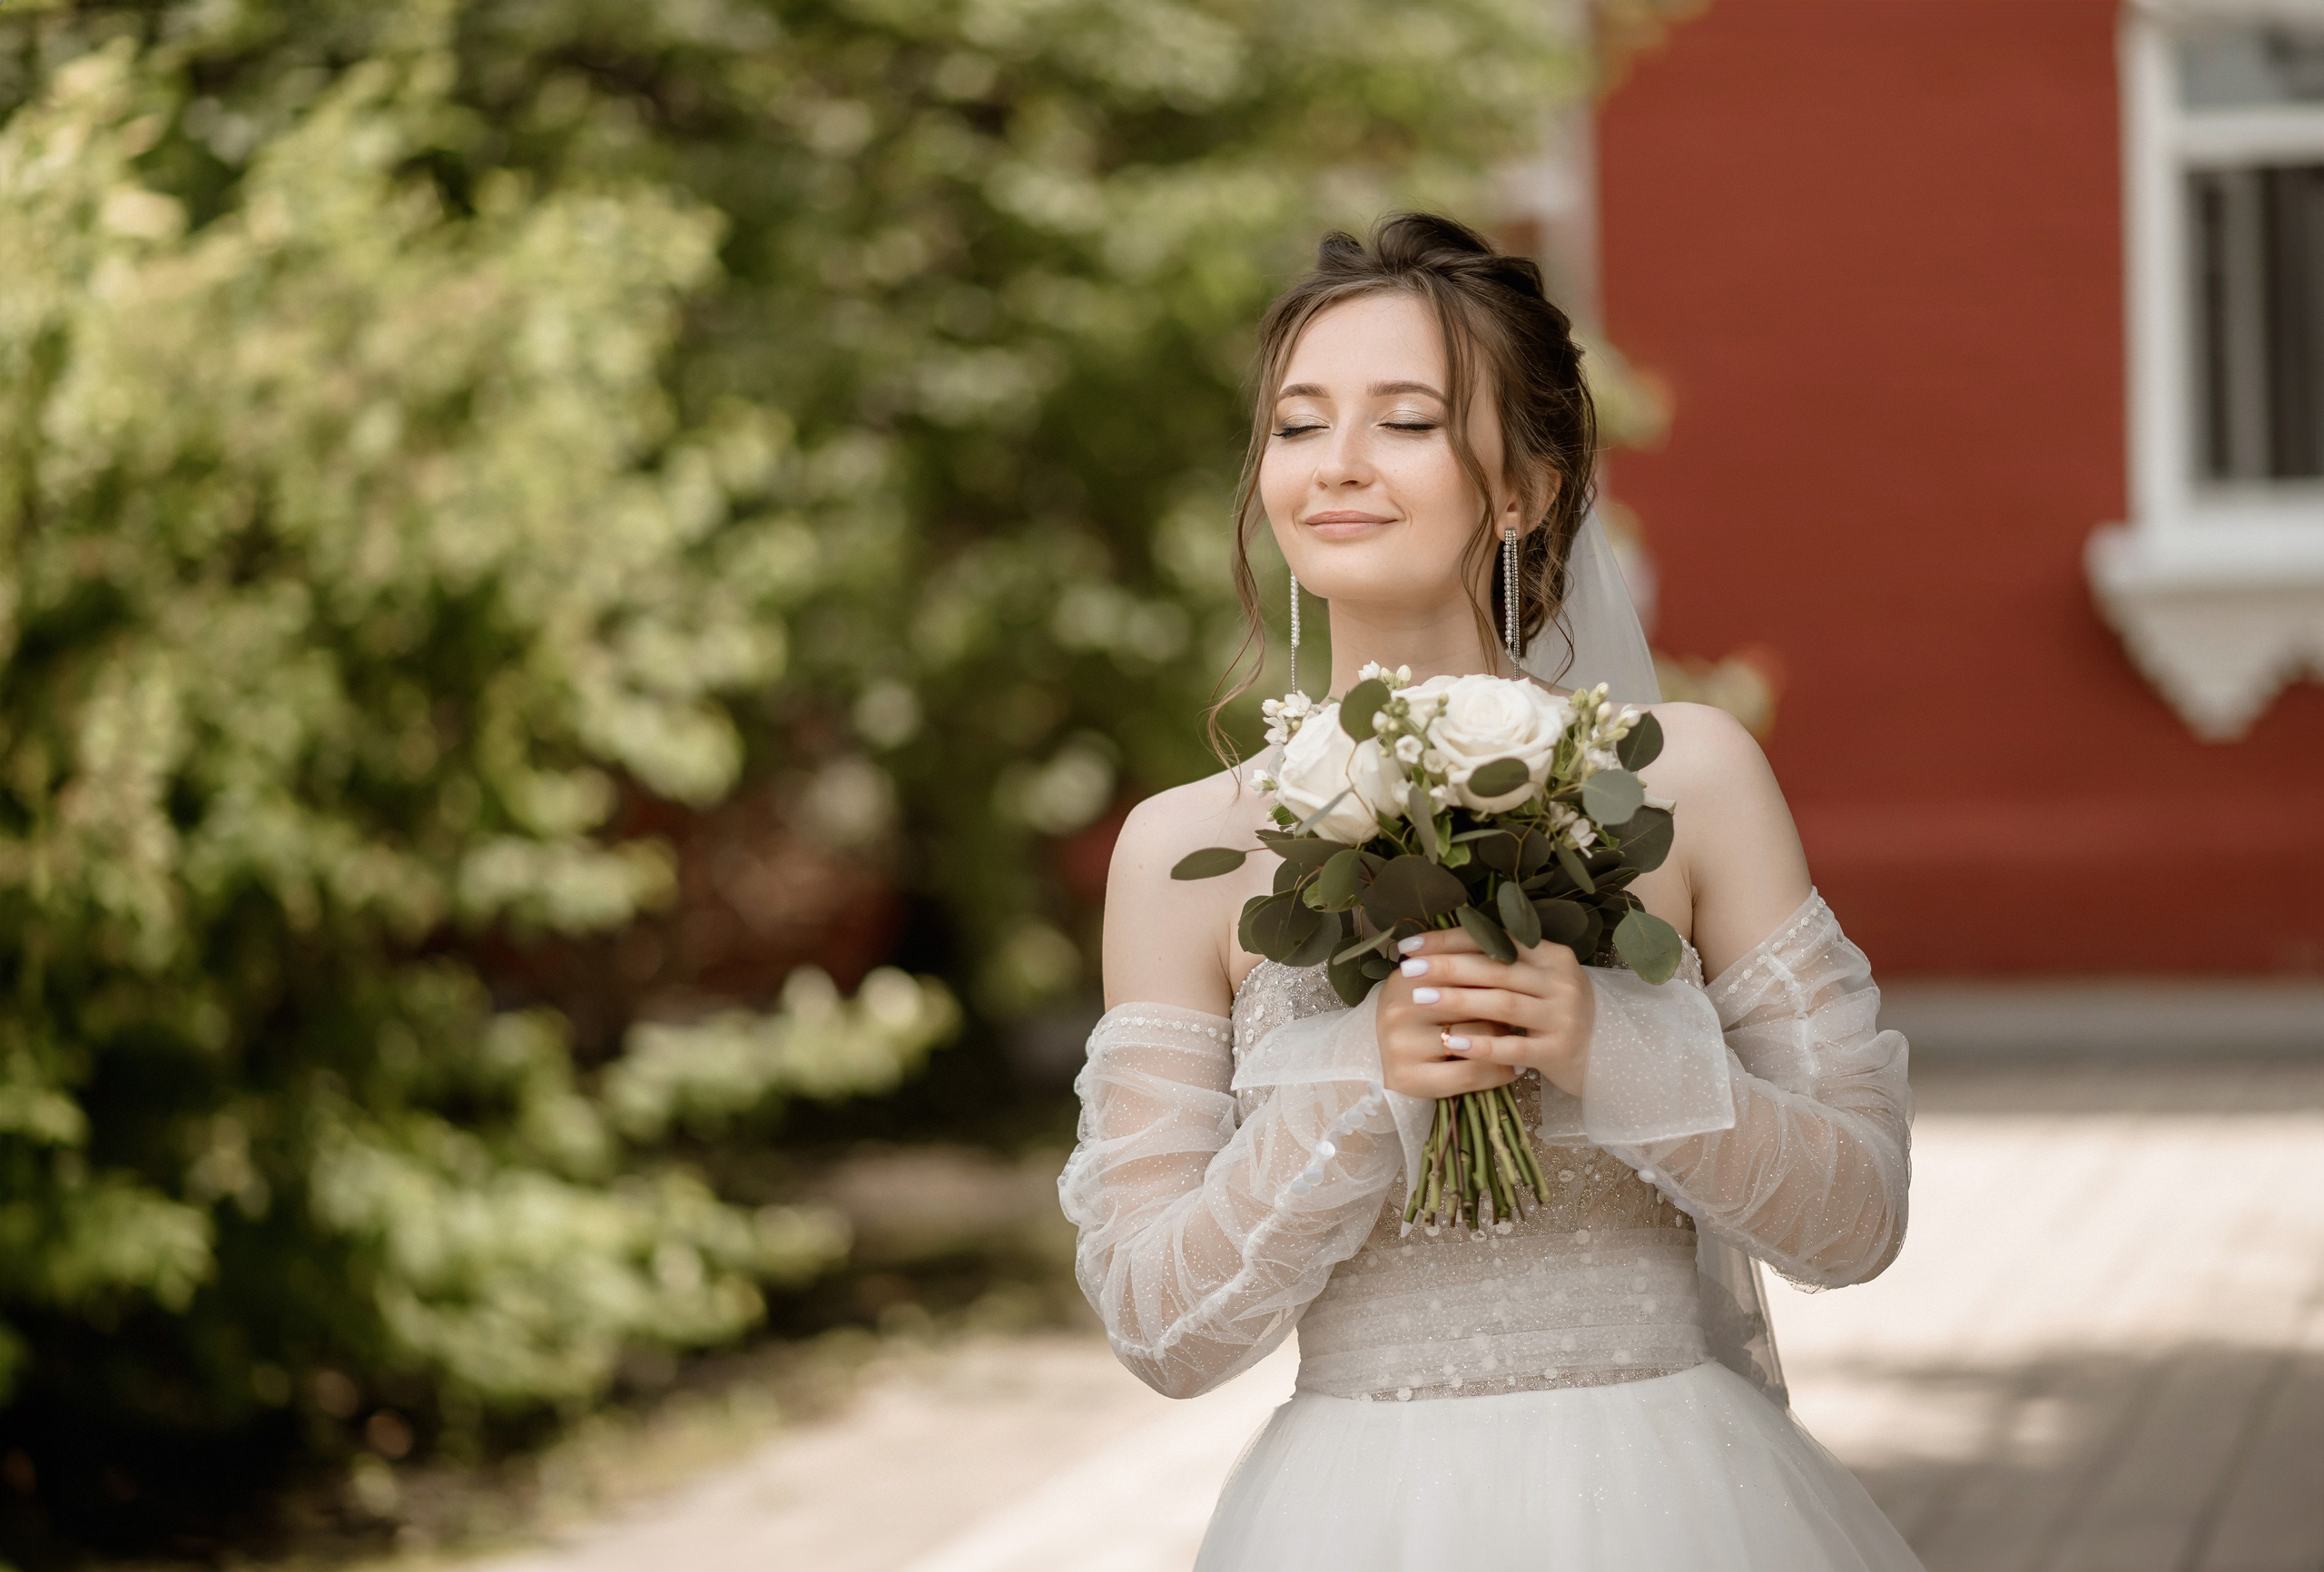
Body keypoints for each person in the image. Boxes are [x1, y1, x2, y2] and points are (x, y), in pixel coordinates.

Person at [1057, 213, 1923, 1570]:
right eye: (1297, 424)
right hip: (1351, 1520)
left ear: (1522, 490)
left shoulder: (1686, 780)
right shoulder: (1182, 852)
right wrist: (1363, 1082)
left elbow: (1859, 1217)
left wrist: (1607, 1043)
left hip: (1674, 1501)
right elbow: (1160, 1326)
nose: (1336, 464)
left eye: (1405, 421)